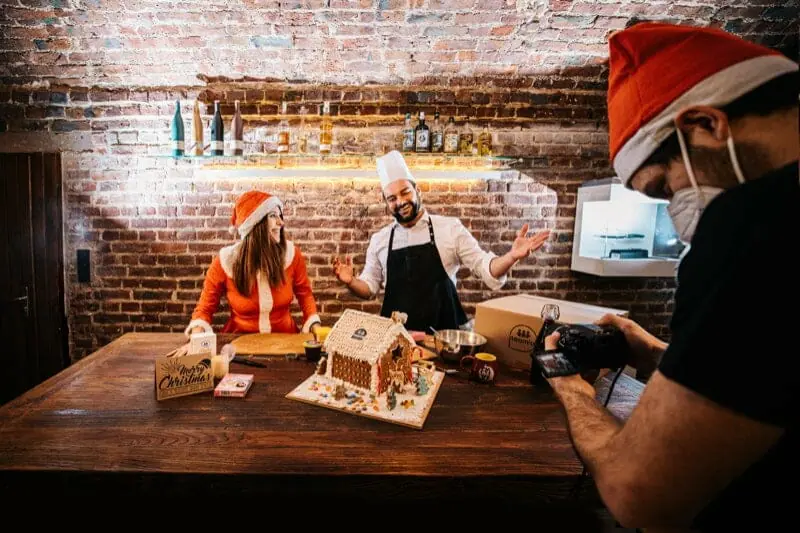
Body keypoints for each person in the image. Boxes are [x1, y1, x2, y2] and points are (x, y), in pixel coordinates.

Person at [543, 22, 798, 532]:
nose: (672, 209)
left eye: (663, 188)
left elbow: (638, 495)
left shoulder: (753, 223)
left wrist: (566, 381)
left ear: (706, 123)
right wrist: (660, 353)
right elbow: (769, 372)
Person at [331, 150, 550, 333]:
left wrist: (511, 257)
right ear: (386, 202)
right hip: (396, 342)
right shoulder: (380, 240)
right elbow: (369, 288)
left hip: (444, 340)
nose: (400, 202)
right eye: (392, 198)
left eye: (405, 192)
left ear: (417, 191)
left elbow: (485, 268)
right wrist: (350, 281)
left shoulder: (449, 228)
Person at [182, 190, 322, 343]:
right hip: (238, 341)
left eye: (280, 216)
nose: (281, 223)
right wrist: (195, 341)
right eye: (273, 216)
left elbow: (305, 295)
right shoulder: (225, 261)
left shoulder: (292, 255)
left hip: (285, 341)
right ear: (255, 225)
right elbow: (204, 309)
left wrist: (315, 325)